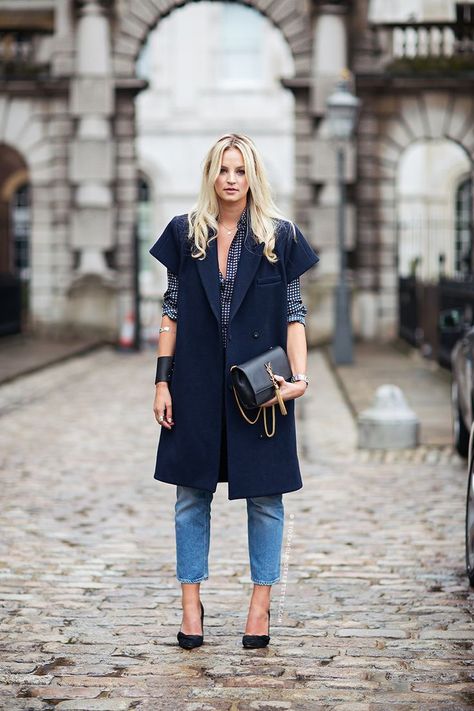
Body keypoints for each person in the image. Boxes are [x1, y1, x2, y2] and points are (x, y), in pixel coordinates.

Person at [149, 133, 319, 649]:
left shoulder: (279, 238)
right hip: (195, 384)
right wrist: (162, 380)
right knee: (189, 497)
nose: (230, 179)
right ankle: (190, 608)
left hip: (260, 390)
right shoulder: (186, 234)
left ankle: (260, 609)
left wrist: (299, 379)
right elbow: (171, 313)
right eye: (223, 169)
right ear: (210, 175)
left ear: (252, 177)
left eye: (240, 170)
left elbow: (294, 317)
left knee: (266, 499)